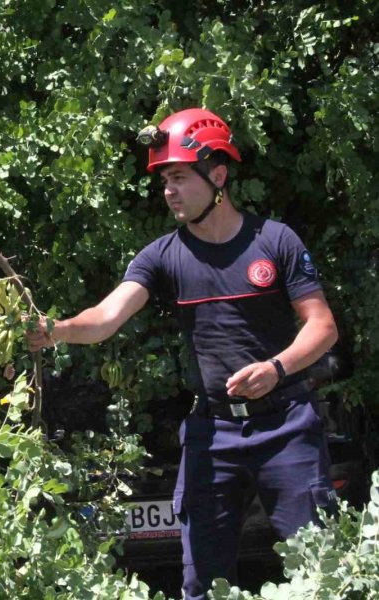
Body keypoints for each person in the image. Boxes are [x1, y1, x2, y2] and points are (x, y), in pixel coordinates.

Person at [26, 108, 339, 599]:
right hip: (212, 433)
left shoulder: (275, 242)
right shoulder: (161, 256)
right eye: (164, 180)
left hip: (287, 427)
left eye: (178, 177)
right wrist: (59, 329)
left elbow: (322, 327)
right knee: (202, 584)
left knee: (323, 570)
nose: (168, 190)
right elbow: (107, 318)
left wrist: (277, 369)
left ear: (217, 176)